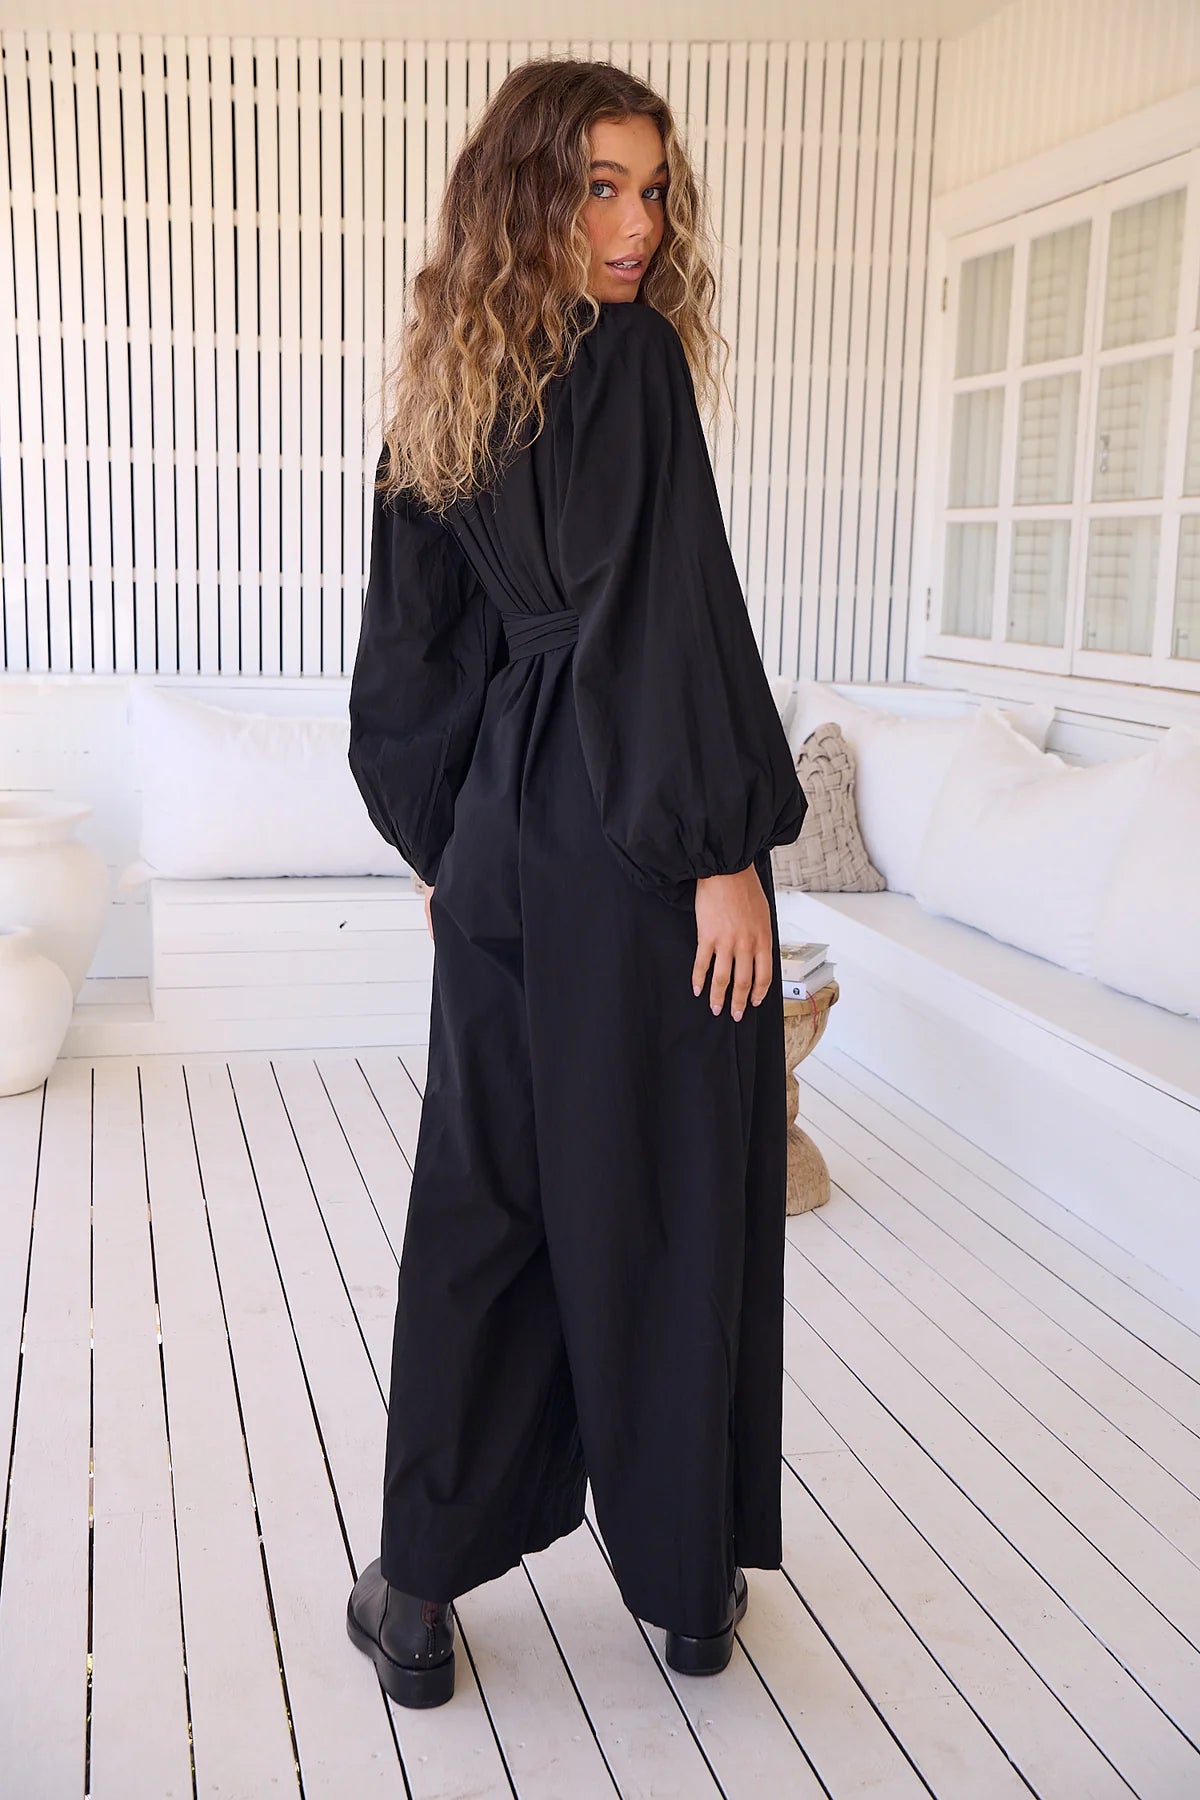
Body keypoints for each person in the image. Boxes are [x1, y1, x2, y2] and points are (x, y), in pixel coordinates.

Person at [344, 57, 808, 1710]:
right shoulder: (635, 364)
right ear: (529, 191)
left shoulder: (443, 385)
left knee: (487, 1200)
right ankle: (687, 1588)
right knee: (665, 1190)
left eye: (653, 190)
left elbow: (410, 662)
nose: (637, 225)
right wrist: (723, 854)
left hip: (503, 838)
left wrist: (446, 841)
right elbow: (671, 621)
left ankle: (415, 1593)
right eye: (600, 187)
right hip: (633, 840)